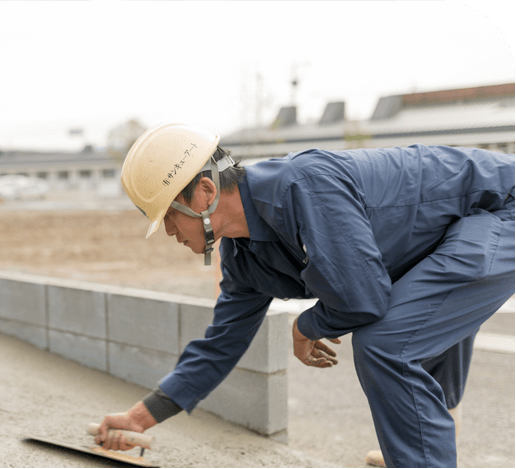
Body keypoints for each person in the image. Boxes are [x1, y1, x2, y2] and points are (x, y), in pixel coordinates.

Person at [94, 123, 515, 468]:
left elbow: (362, 299)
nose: (168, 231)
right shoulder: (243, 258)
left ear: (203, 193)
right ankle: (423, 449)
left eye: (169, 215)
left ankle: (422, 455)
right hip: (448, 235)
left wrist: (306, 324)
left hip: (500, 209)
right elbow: (221, 344)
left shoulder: (303, 187)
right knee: (408, 317)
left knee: (386, 343)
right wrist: (140, 416)